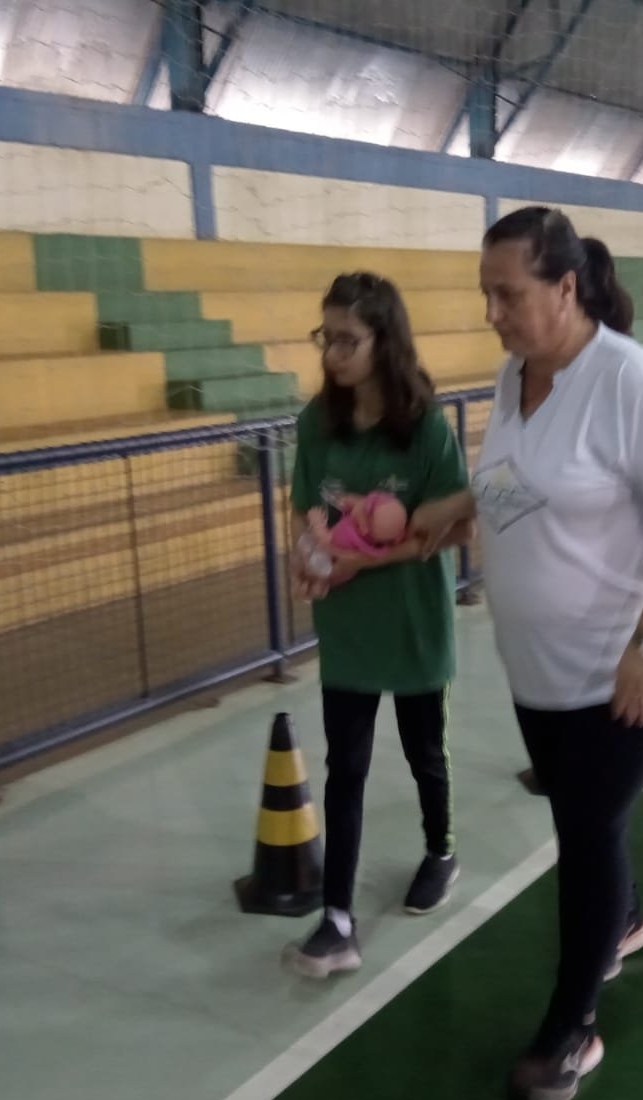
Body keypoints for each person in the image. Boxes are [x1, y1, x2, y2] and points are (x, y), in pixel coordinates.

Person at [410, 207, 643, 1100]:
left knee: (586, 836)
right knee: (590, 822)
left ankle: (570, 1030)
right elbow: (523, 482)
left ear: (565, 287)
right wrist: (456, 508)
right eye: (486, 295)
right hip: (540, 672)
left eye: (508, 295)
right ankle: (625, 918)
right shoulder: (517, 377)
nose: (493, 313)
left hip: (625, 674)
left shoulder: (635, 382)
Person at [282, 272, 475, 980]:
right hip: (349, 628)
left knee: (427, 754)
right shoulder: (317, 422)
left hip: (413, 619)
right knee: (346, 768)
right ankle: (337, 919)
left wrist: (366, 559)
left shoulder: (425, 427)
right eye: (325, 337)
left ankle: (441, 851)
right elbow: (301, 507)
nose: (332, 353)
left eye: (347, 340)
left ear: (383, 341)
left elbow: (457, 524)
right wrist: (304, 557)